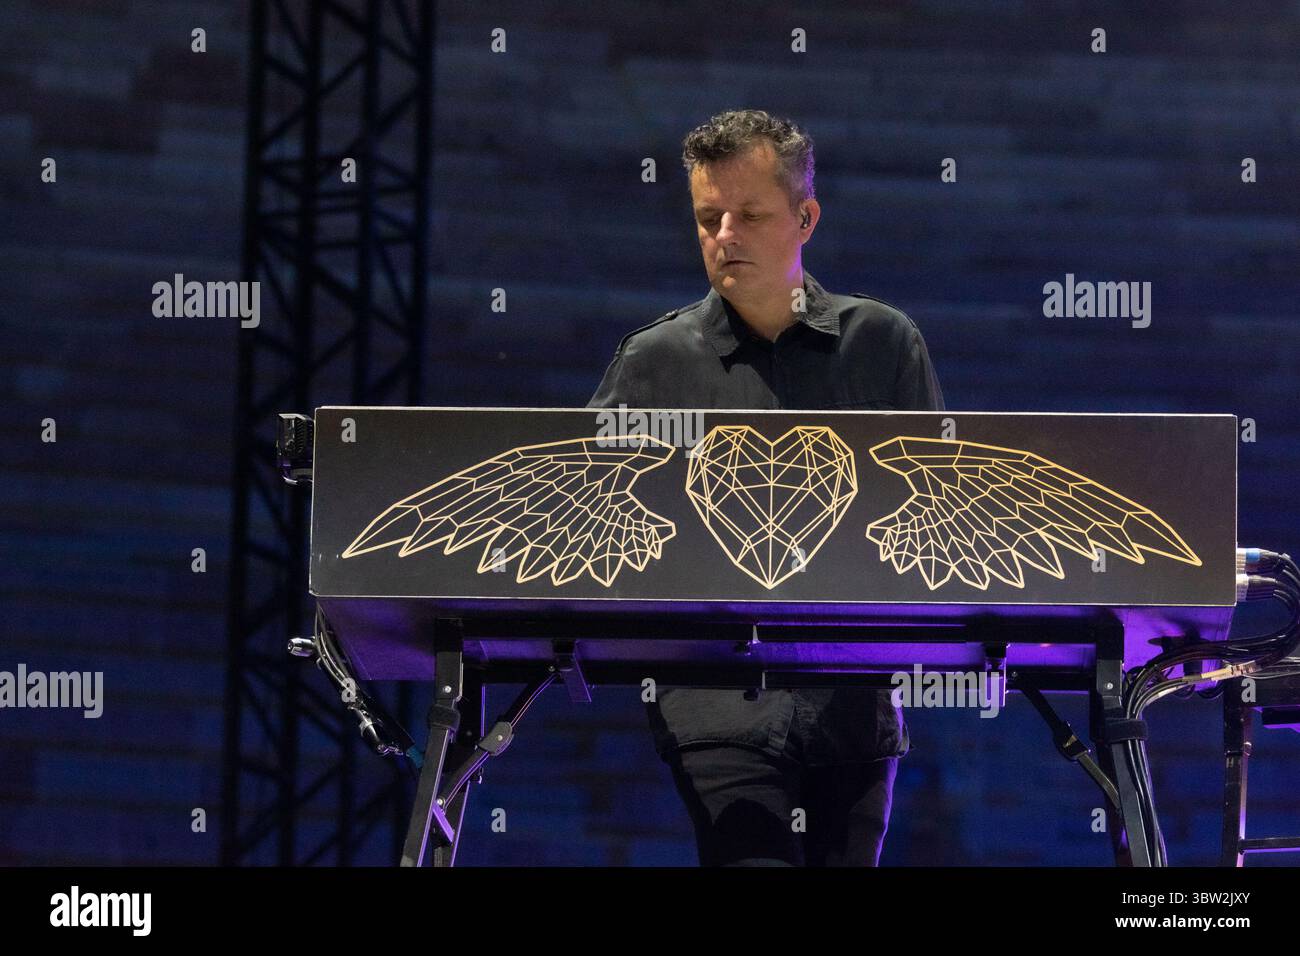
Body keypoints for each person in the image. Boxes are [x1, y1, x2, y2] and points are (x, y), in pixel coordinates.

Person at [586, 109, 945, 866]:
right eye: (708, 217)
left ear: (806, 217)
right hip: (715, 707)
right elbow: (592, 509)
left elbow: (934, 505)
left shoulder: (883, 344)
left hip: (853, 701)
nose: (724, 236)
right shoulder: (653, 362)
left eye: (749, 215)